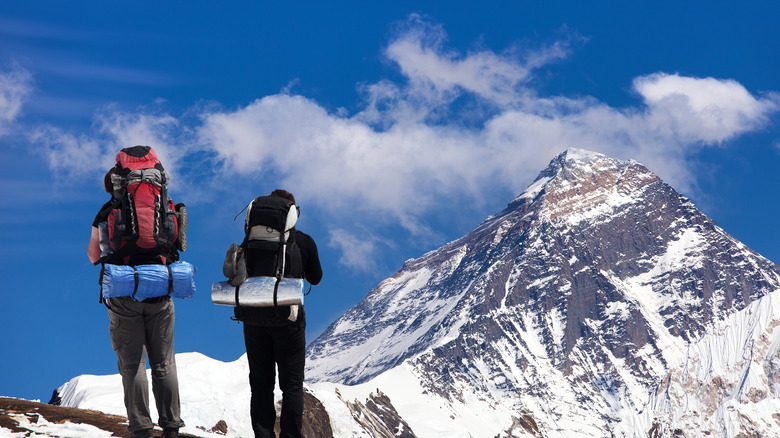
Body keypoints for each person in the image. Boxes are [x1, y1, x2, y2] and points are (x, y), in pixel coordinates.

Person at [87, 160, 185, 438]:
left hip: (123, 293)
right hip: (160, 289)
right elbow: (178, 243)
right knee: (164, 364)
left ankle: (142, 429)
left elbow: (94, 255)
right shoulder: (164, 205)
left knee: (133, 366)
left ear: (114, 187)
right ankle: (171, 428)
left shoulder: (107, 211)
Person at [239, 189, 323, 438]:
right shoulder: (303, 241)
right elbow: (316, 279)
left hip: (254, 318)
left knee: (261, 385)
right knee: (292, 386)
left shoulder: (250, 240)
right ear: (292, 213)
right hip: (289, 319)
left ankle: (263, 435)